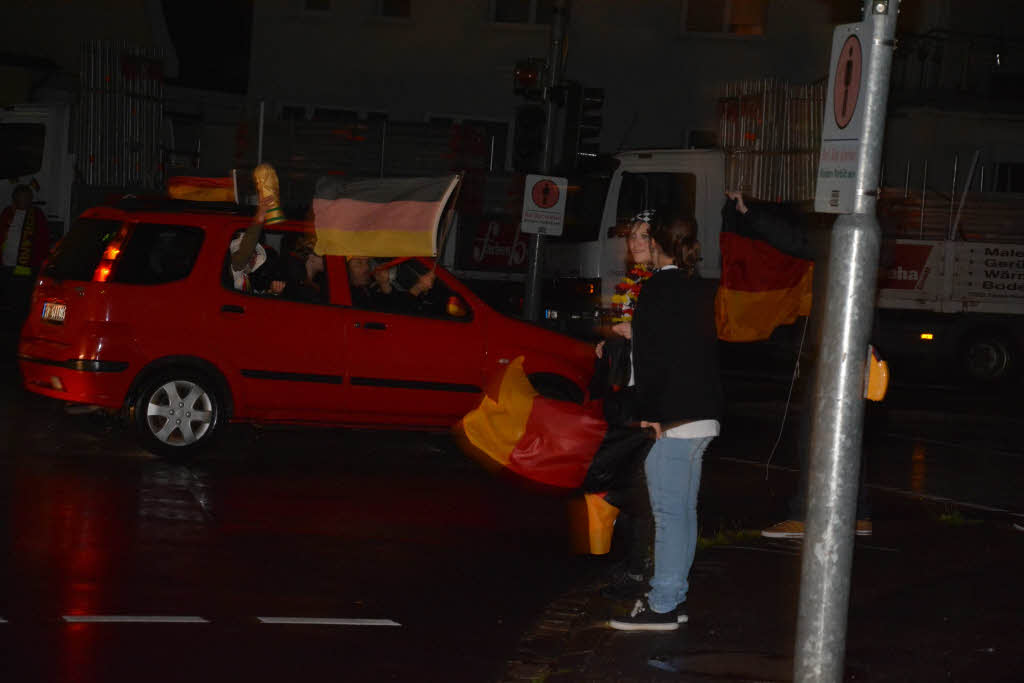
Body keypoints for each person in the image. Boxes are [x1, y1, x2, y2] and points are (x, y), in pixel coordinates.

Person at [719, 191, 874, 539]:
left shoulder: (845, 236)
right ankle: (858, 511)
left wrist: (748, 211)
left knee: (815, 434)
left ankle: (804, 515)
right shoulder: (872, 234)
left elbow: (796, 240)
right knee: (849, 431)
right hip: (853, 346)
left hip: (837, 350)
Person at [609, 211, 723, 631]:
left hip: (673, 421)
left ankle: (663, 604)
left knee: (671, 515)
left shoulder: (658, 287)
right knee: (683, 513)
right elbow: (682, 348)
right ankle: (672, 596)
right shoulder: (692, 287)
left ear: (657, 244)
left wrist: (652, 417)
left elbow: (657, 362)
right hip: (701, 416)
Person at [590, 210, 658, 600]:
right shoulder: (633, 283)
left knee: (638, 484)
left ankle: (640, 566)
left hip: (646, 402)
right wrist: (611, 342)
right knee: (623, 479)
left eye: (644, 237)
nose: (634, 244)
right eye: (631, 236)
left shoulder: (661, 285)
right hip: (626, 395)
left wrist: (637, 334)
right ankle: (633, 562)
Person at [1, 185, 51, 324]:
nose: (24, 200)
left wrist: (42, 261)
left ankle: (21, 326)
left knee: (23, 300)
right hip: (7, 266)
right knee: (8, 298)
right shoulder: (7, 212)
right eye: (20, 197)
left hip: (27, 268)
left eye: (26, 197)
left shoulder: (36, 214)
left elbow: (43, 239)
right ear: (15, 199)